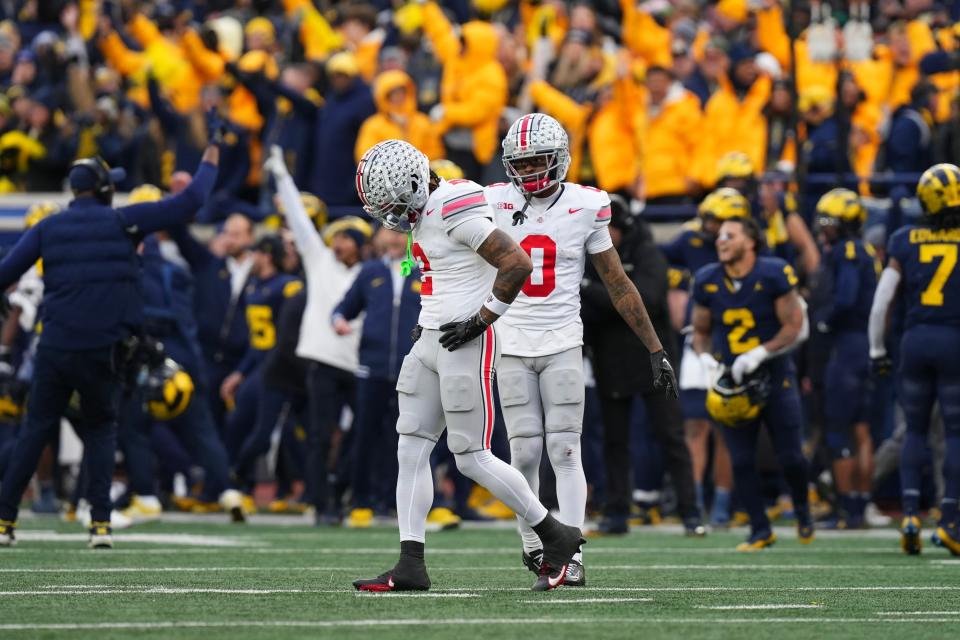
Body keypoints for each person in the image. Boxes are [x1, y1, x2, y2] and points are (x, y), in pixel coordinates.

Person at [351, 139, 580, 592]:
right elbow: (439, 275)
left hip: (465, 340)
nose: (392, 217)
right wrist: (426, 321)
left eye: (395, 205)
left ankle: (556, 535)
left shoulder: (453, 203)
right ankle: (410, 563)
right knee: (410, 448)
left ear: (417, 183)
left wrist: (483, 318)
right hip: (433, 339)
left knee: (471, 456)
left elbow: (515, 264)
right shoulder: (423, 212)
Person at [0, 131, 221, 548]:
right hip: (105, 347)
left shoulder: (48, 227)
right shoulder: (125, 220)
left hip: (56, 345)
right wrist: (212, 152)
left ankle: (4, 522)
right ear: (103, 189)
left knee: (35, 429)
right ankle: (99, 523)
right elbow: (191, 201)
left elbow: (4, 274)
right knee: (102, 429)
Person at [485, 113, 678, 585]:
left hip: (563, 341)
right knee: (525, 452)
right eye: (522, 163)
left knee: (566, 450)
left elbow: (618, 282)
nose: (529, 172)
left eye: (538, 161)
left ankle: (571, 557)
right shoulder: (492, 200)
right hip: (510, 342)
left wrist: (655, 347)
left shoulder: (588, 205)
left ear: (561, 159)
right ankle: (535, 543)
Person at [691, 216, 813, 551]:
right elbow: (700, 331)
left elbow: (794, 325)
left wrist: (760, 353)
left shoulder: (773, 272)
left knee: (790, 456)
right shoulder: (708, 279)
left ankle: (802, 508)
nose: (722, 240)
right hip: (733, 380)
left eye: (731, 235)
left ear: (751, 241)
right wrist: (705, 359)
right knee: (741, 458)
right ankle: (761, 529)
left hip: (773, 374)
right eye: (720, 235)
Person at [264, 146, 369, 524]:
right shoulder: (320, 260)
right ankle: (321, 503)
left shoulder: (370, 273)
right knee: (320, 436)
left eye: (346, 238)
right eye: (336, 237)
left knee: (363, 436)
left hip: (359, 364)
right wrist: (281, 176)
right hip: (324, 361)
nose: (337, 243)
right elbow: (299, 220)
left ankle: (345, 493)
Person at [868, 163, 960, 556]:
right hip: (955, 340)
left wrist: (877, 349)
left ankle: (909, 514)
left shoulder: (905, 238)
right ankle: (950, 520)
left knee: (915, 430)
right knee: (955, 434)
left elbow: (881, 302)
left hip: (915, 341)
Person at [660, 188, 749, 527]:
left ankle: (724, 504)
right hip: (697, 342)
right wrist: (678, 278)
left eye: (717, 221)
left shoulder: (751, 249)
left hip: (736, 345)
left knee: (727, 428)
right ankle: (695, 503)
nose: (710, 228)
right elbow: (660, 257)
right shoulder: (692, 241)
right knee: (695, 426)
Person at [332, 228, 426, 528]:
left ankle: (393, 501)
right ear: (380, 237)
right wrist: (338, 321)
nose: (396, 238)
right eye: (390, 232)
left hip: (411, 367)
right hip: (371, 367)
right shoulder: (371, 271)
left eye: (402, 232)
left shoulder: (421, 269)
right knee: (365, 434)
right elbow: (344, 308)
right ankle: (361, 500)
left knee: (405, 439)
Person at [811, 189, 878, 529]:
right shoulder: (861, 249)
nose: (824, 227)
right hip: (864, 344)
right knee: (861, 429)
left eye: (830, 221)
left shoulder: (848, 250)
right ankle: (860, 505)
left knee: (839, 429)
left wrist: (824, 319)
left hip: (846, 347)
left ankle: (849, 509)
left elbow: (847, 297)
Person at [220, 235, 303, 512]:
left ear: (267, 255)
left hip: (279, 367)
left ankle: (237, 478)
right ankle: (234, 483)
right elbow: (254, 341)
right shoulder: (253, 285)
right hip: (258, 366)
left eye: (256, 253)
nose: (252, 258)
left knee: (269, 433)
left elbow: (286, 337)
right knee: (238, 424)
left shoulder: (287, 286)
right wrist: (240, 373)